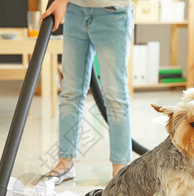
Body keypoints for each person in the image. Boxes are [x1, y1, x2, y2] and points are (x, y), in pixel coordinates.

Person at [41, 0, 134, 184]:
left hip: (113, 12)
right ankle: (65, 163)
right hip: (76, 10)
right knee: (70, 92)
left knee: (115, 96)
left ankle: (120, 171)